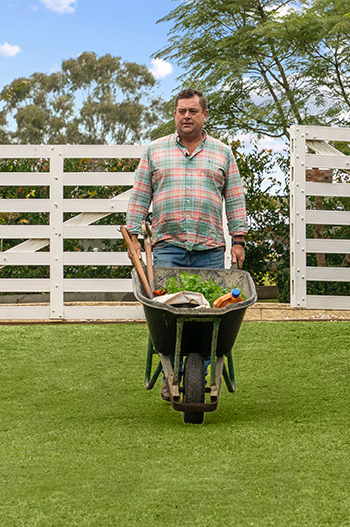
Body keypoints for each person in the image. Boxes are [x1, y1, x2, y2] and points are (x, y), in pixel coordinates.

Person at [125, 88, 247, 400]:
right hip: (167, 247)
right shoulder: (156, 151)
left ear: (205, 116)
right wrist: (134, 239)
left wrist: (238, 240)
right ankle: (172, 374)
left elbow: (234, 198)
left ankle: (200, 371)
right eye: (181, 111)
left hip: (209, 248)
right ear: (175, 115)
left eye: (193, 111)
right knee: (168, 314)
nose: (187, 116)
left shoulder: (222, 153)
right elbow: (140, 196)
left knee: (209, 318)